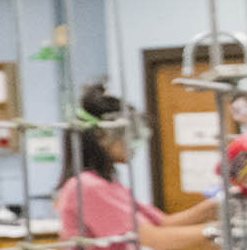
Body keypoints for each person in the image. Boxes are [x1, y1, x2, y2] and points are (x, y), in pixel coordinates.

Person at [57, 85, 218, 250]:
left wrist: (215, 206)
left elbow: (163, 223)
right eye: (130, 133)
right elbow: (152, 239)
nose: (134, 143)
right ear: (102, 136)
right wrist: (220, 232)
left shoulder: (108, 184)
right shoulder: (87, 187)